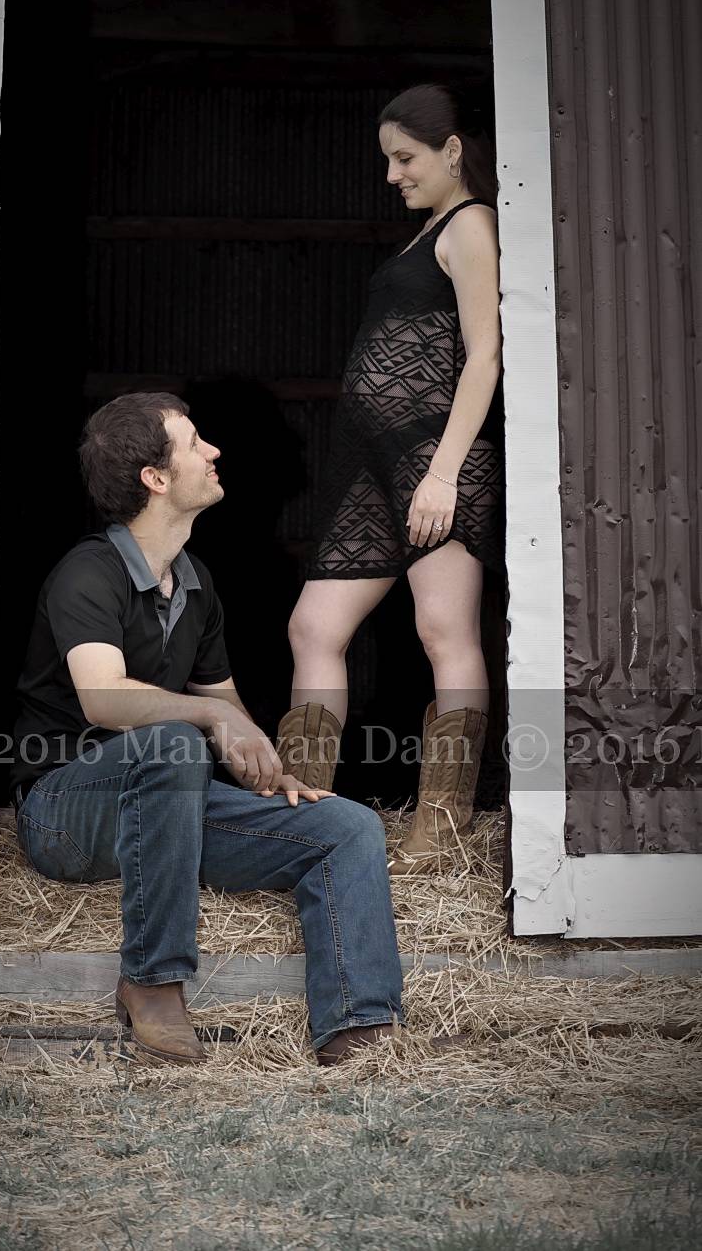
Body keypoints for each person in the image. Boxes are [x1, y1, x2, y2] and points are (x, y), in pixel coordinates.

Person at [10, 393, 404, 1066]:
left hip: (169, 808)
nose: (213, 451)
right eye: (195, 443)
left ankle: (357, 1025)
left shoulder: (195, 583)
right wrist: (212, 717)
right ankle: (152, 981)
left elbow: (224, 709)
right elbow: (103, 697)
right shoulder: (89, 572)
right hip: (65, 813)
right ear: (155, 479)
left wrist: (270, 773)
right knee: (175, 740)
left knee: (345, 826)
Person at [280, 84, 506, 874]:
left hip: (431, 460)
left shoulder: (470, 223)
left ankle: (440, 831)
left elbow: (483, 355)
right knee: (313, 629)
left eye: (404, 158)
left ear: (451, 150)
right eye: (388, 160)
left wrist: (442, 475)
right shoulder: (429, 232)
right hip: (374, 467)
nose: (392, 176)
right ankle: (303, 821)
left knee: (444, 633)